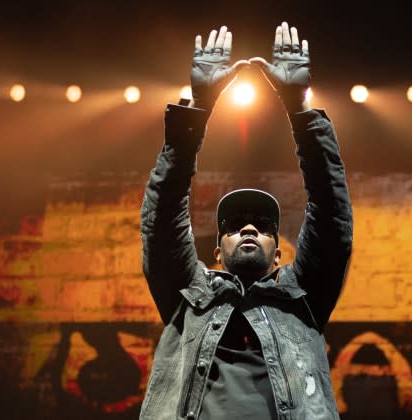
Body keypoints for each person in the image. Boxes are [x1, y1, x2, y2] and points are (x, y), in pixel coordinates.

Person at [140, 21, 353, 420]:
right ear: (217, 252)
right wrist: (197, 111)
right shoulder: (187, 297)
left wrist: (299, 109)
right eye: (235, 225)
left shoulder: (302, 299)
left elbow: (330, 211)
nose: (250, 228)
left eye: (263, 225)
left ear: (278, 256)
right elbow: (163, 214)